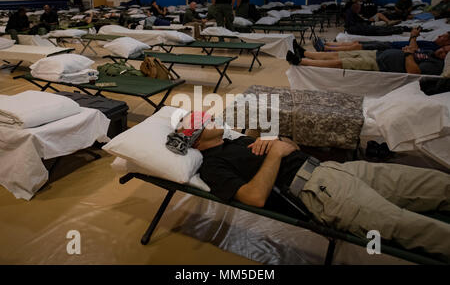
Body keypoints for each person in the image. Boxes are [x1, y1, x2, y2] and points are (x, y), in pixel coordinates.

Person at [169, 112, 450, 262]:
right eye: (196, 121)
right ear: (193, 139)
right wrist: (276, 154)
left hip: (333, 169)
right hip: (323, 193)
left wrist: (281, 142)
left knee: (433, 183)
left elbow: (295, 148)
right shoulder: (211, 165)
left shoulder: (235, 141)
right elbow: (253, 197)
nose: (206, 117)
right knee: (412, 227)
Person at [287, 34, 449, 75]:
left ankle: (301, 62)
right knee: (338, 56)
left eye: (445, 53)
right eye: (444, 48)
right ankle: (305, 52)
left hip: (380, 65)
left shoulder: (436, 65)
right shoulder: (430, 51)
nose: (441, 50)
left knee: (339, 63)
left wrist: (407, 54)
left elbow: (414, 73)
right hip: (378, 54)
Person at [315, 29, 450, 53]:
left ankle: (327, 49)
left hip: (391, 48)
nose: (438, 37)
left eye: (442, 37)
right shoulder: (433, 43)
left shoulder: (434, 49)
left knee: (358, 47)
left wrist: (413, 36)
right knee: (356, 43)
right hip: (390, 45)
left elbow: (413, 49)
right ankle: (327, 44)